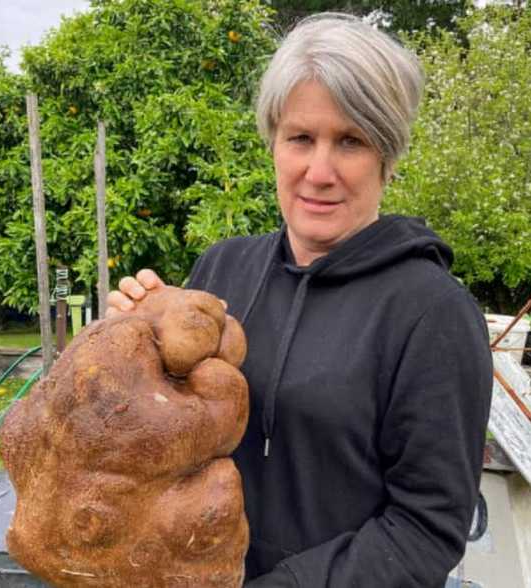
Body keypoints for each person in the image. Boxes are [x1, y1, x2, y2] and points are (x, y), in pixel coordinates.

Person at [107, 13, 492, 587]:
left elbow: (426, 528)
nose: (319, 171)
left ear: (386, 155)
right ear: (274, 143)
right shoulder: (223, 267)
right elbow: (170, 439)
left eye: (351, 141)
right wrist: (131, 352)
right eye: (301, 138)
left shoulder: (432, 313)